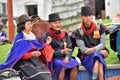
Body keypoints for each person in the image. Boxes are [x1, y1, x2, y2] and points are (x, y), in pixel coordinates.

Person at [0, 14, 53, 80]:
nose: (31, 26)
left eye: (31, 24)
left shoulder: (31, 36)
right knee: (40, 76)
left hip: (34, 61)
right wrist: (31, 54)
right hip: (24, 63)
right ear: (23, 25)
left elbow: (37, 46)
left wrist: (46, 43)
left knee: (46, 74)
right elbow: (17, 55)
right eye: (28, 24)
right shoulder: (20, 38)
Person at [72, 6, 109, 80]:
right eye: (85, 16)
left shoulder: (99, 27)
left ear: (92, 16)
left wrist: (94, 49)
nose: (88, 18)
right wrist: (95, 50)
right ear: (81, 17)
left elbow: (103, 44)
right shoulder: (78, 31)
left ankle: (94, 78)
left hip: (97, 53)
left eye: (90, 15)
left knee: (96, 56)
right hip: (85, 56)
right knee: (97, 58)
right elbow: (82, 49)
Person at [39, 13, 79, 80]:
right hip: (54, 59)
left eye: (59, 22)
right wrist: (61, 52)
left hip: (65, 57)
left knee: (75, 64)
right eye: (55, 23)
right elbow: (47, 53)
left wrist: (67, 57)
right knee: (61, 65)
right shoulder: (46, 36)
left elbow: (70, 48)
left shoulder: (65, 34)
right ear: (50, 24)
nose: (58, 25)